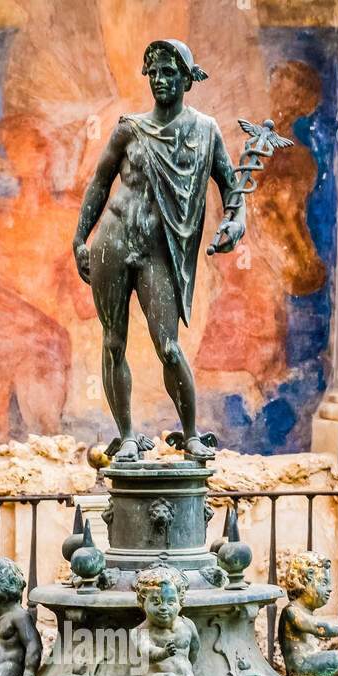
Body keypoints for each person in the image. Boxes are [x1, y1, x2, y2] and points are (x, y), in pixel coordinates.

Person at [73, 38, 246, 465]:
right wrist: (79, 238)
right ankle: (128, 437)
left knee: (167, 345)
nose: (161, 80)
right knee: (113, 341)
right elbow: (98, 182)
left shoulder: (205, 130)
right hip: (112, 241)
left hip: (156, 252)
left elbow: (231, 187)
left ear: (187, 78)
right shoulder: (130, 127)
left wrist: (236, 221)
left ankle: (189, 435)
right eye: (154, 72)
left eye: (170, 72)